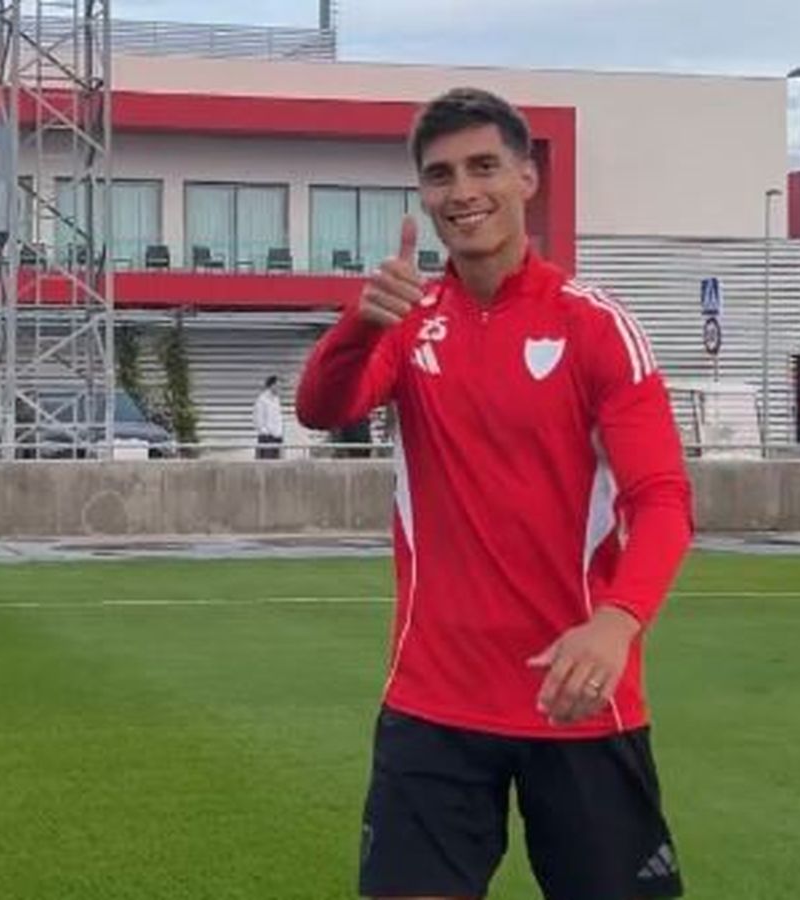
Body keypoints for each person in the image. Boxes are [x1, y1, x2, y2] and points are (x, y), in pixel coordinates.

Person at [296, 87, 693, 900]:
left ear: (526, 177)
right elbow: (323, 408)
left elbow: (661, 499)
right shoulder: (407, 321)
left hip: (577, 697)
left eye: (483, 167)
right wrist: (359, 325)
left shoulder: (593, 325)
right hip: (434, 701)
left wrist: (617, 623)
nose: (462, 192)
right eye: (440, 175)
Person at [253, 375, 285, 459]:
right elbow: (258, 420)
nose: (279, 388)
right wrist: (267, 434)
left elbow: (278, 418)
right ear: (272, 385)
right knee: (266, 465)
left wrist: (280, 433)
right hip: (267, 438)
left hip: (277, 437)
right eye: (278, 386)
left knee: (277, 465)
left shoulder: (277, 399)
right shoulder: (262, 400)